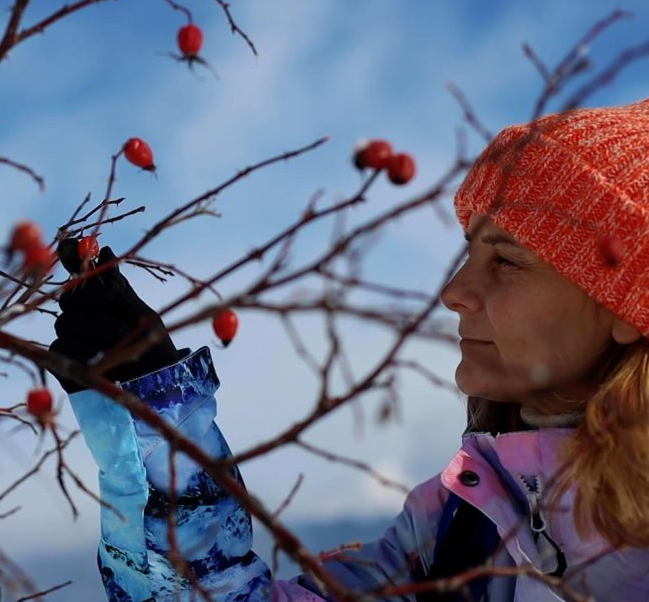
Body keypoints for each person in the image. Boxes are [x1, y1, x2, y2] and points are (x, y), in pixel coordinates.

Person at [47, 99, 649, 601]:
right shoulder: (458, 525)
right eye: (470, 253)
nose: (455, 292)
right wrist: (155, 409)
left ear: (623, 308)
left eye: (507, 261)